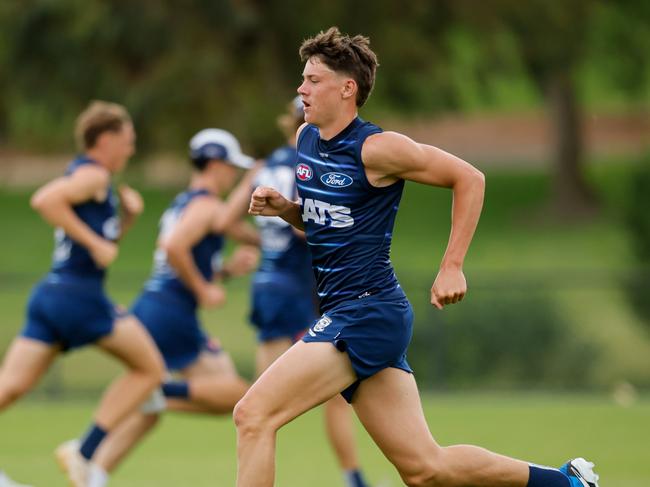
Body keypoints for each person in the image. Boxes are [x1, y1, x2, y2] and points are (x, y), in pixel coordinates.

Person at [236, 27, 600, 487]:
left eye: (312, 79)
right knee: (425, 469)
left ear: (347, 88)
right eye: (302, 78)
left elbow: (470, 178)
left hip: (366, 313)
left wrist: (451, 265)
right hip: (353, 313)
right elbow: (324, 226)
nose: (300, 89)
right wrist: (287, 210)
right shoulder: (306, 140)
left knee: (252, 415)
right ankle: (566, 483)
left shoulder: (378, 148)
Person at [0, 100, 165, 487]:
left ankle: (84, 453)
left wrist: (127, 220)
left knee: (10, 386)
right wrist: (95, 241)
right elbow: (45, 200)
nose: (131, 149)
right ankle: (85, 451)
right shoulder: (93, 176)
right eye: (127, 141)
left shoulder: (95, 181)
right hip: (77, 297)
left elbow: (98, 252)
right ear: (105, 139)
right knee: (150, 370)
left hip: (55, 293)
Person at [85, 128, 260, 487]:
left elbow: (179, 258)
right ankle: (156, 393)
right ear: (214, 164)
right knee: (233, 392)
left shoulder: (184, 202)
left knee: (148, 413)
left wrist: (223, 272)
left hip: (159, 306)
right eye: (231, 167)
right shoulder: (207, 205)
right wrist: (204, 288)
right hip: (169, 312)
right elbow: (174, 249)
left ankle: (90, 472)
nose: (233, 175)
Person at [248, 97, 370, 487]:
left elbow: (225, 218)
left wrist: (258, 246)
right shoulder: (313, 163)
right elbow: (317, 224)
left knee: (258, 407)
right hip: (300, 289)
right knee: (262, 408)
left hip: (269, 285)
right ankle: (354, 479)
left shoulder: (265, 166)